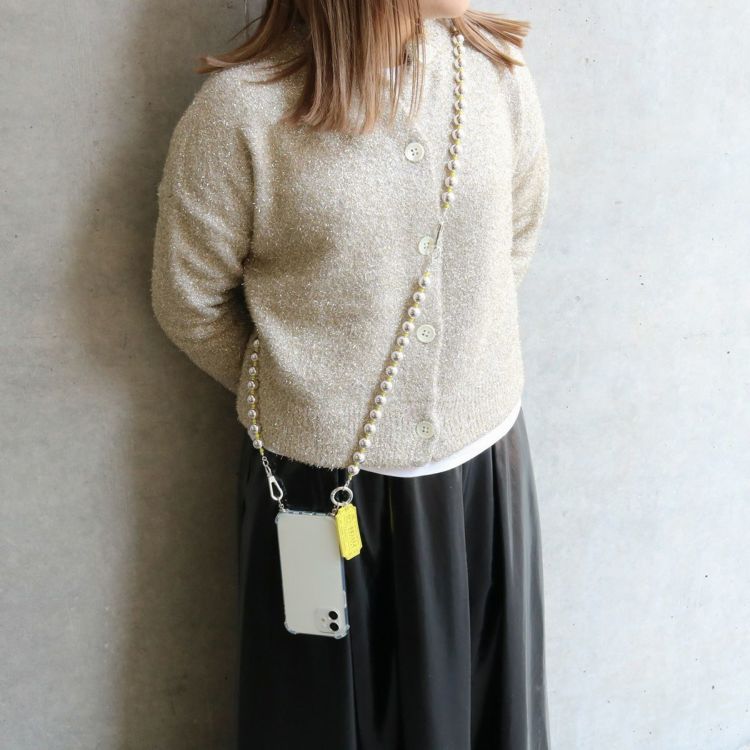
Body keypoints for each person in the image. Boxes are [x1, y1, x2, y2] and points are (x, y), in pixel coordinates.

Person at [150, 0, 551, 747]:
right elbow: (189, 302)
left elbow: (515, 236)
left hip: (483, 475)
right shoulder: (242, 115)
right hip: (318, 494)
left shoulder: (496, 73)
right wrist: (310, 395)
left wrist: (462, 368)